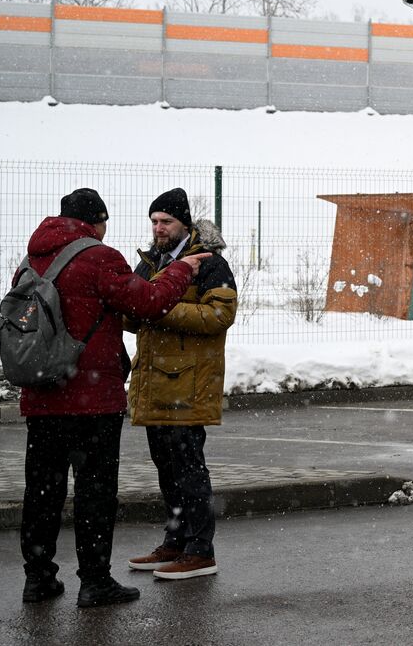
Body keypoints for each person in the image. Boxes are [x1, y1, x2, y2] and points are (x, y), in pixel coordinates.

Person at [19, 188, 205, 609]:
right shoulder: (99, 257)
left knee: (42, 492)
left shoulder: (31, 259)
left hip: (42, 396)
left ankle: (39, 578)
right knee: (95, 493)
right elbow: (149, 302)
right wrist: (182, 271)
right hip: (91, 401)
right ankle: (95, 582)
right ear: (96, 221)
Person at [126, 188, 237, 581]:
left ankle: (200, 551)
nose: (158, 228)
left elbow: (220, 315)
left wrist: (161, 306)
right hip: (153, 383)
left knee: (190, 469)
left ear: (184, 224)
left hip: (189, 384)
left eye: (166, 221)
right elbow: (131, 310)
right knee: (166, 468)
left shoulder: (210, 263)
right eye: (154, 221)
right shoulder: (150, 261)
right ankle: (174, 542)